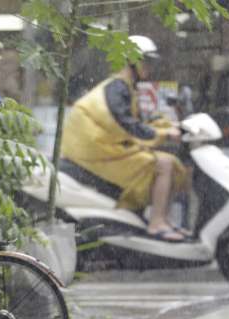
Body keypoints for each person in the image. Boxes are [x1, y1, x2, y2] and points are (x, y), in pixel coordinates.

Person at [61, 35, 190, 241]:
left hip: (103, 151)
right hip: (95, 155)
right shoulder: (117, 87)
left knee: (171, 164)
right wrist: (164, 133)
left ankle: (163, 220)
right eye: (146, 61)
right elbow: (126, 124)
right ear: (132, 61)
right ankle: (156, 224)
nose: (149, 67)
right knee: (164, 164)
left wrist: (169, 126)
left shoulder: (125, 87)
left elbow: (135, 122)